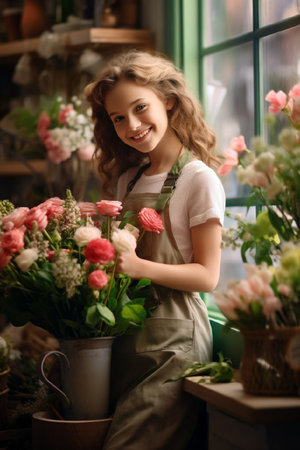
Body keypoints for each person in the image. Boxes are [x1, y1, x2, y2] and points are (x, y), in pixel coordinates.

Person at [85, 50, 225, 450]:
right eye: (118, 118)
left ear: (168, 100)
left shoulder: (198, 179)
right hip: (128, 341)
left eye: (140, 107)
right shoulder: (129, 179)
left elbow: (207, 276)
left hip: (173, 348)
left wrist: (138, 265)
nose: (131, 125)